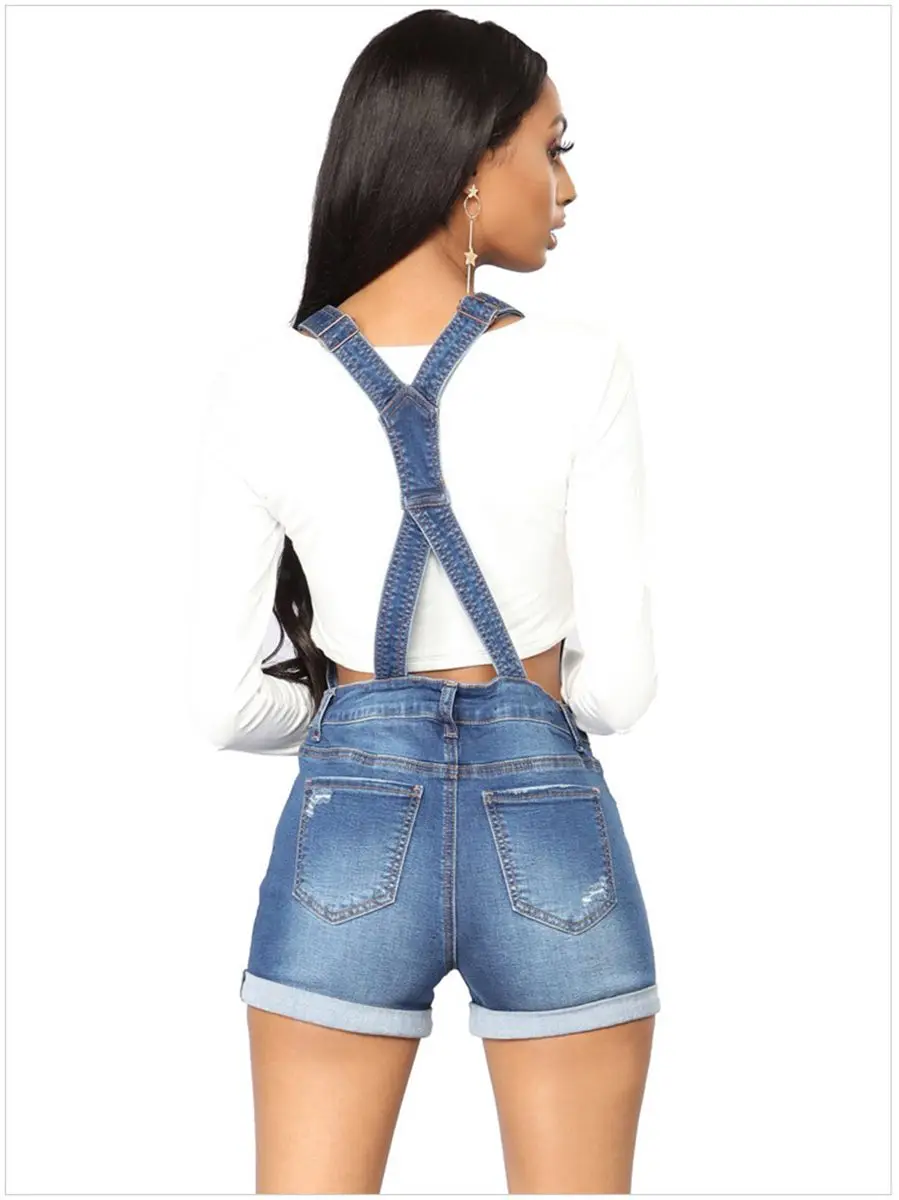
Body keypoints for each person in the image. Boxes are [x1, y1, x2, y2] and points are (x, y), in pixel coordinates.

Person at [189, 9, 660, 1194]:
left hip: (349, 821)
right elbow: (618, 690)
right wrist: (520, 710)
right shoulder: (581, 362)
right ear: (469, 164)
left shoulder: (262, 382)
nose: (566, 186)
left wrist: (360, 715)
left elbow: (222, 704)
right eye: (551, 147)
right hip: (549, 829)